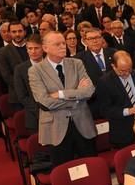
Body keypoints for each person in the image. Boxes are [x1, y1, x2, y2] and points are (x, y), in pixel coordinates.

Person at [28, 31, 97, 166]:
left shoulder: (77, 63)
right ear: (45, 48)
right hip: (56, 128)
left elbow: (89, 91)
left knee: (91, 166)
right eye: (57, 44)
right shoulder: (35, 71)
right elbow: (45, 102)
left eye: (63, 43)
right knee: (64, 170)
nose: (62, 47)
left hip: (83, 124)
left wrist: (61, 94)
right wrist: (77, 97)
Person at [96, 51, 135, 148]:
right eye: (122, 71)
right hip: (123, 132)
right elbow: (104, 110)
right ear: (113, 66)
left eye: (129, 69)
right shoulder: (105, 82)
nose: (127, 73)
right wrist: (128, 111)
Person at [14, 35, 43, 133]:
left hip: (57, 113)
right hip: (34, 117)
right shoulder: (20, 69)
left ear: (43, 48)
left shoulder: (51, 64)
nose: (33, 51)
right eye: (30, 48)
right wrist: (41, 111)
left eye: (36, 48)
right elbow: (22, 96)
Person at [0, 21, 28, 110]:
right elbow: (6, 76)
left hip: (38, 93)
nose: (17, 34)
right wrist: (24, 87)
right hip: (18, 96)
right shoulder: (3, 52)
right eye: (14, 32)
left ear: (25, 32)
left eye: (20, 31)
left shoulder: (33, 46)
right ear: (10, 33)